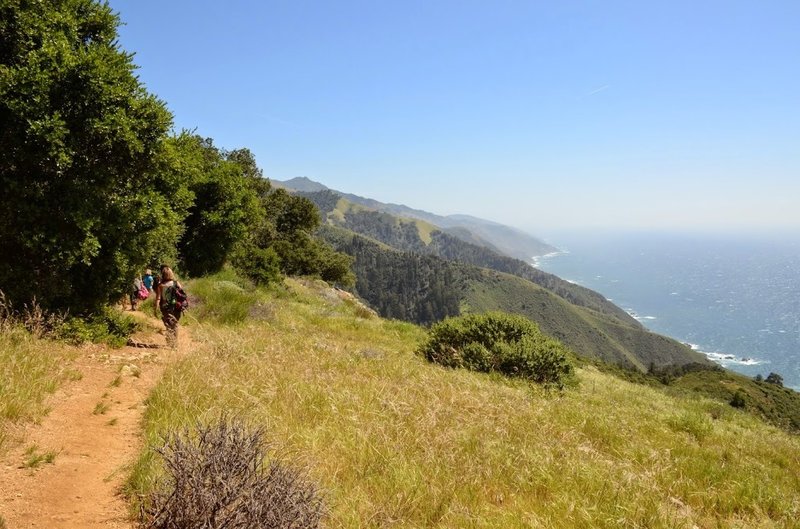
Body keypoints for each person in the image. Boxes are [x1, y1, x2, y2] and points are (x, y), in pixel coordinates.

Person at [154, 265, 182, 347]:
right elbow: (182, 294)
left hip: (165, 307)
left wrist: (155, 308)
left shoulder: (161, 285)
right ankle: (174, 343)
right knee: (175, 324)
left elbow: (158, 298)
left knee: (168, 324)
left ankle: (171, 343)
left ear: (163, 274)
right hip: (177, 307)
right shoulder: (176, 283)